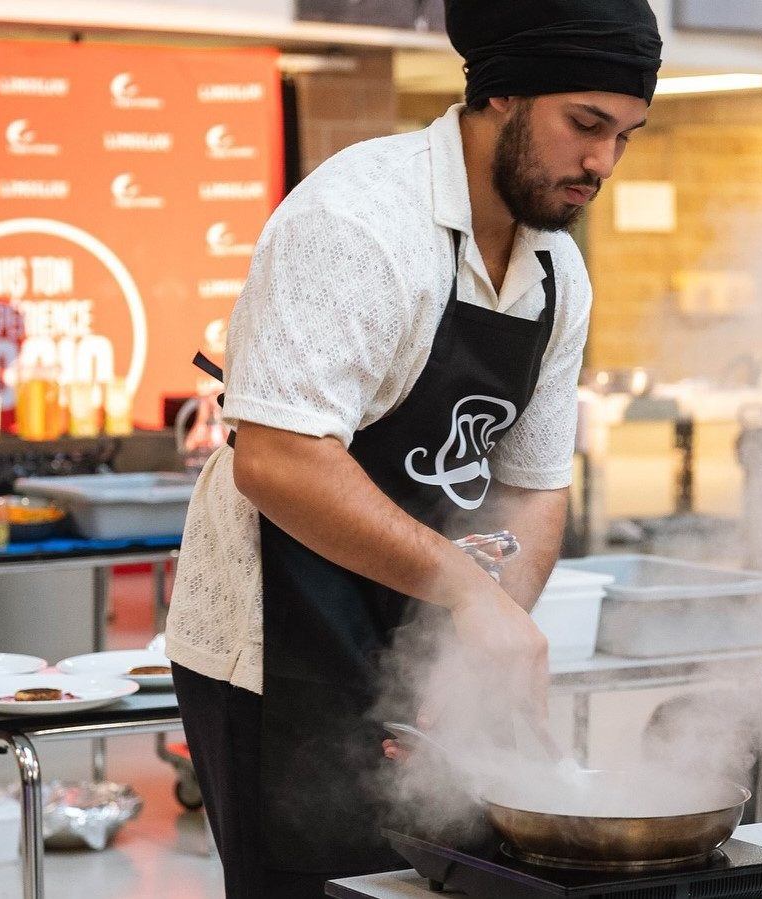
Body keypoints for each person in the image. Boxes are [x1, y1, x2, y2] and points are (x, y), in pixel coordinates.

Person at [164, 1, 662, 895]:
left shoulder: (556, 270)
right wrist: (469, 598)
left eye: (626, 136)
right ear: (502, 95)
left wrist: (476, 641)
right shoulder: (357, 224)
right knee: (319, 878)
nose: (602, 163)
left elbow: (535, 484)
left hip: (430, 613)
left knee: (460, 873)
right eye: (585, 125)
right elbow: (277, 461)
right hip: (285, 631)